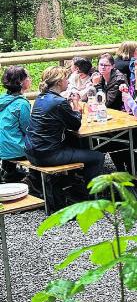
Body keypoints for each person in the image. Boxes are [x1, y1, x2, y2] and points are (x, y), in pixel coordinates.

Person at [25, 66, 106, 211]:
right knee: (97, 157)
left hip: (32, 152)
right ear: (58, 82)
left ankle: (74, 187)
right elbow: (75, 125)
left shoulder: (40, 98)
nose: (68, 81)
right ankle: (91, 199)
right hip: (47, 154)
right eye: (65, 78)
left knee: (76, 143)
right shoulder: (58, 102)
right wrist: (76, 105)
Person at [0, 66, 32, 183]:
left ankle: (8, 171)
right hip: (14, 149)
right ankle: (36, 181)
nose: (30, 79)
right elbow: (28, 129)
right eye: (28, 77)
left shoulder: (2, 98)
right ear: (21, 82)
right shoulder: (21, 104)